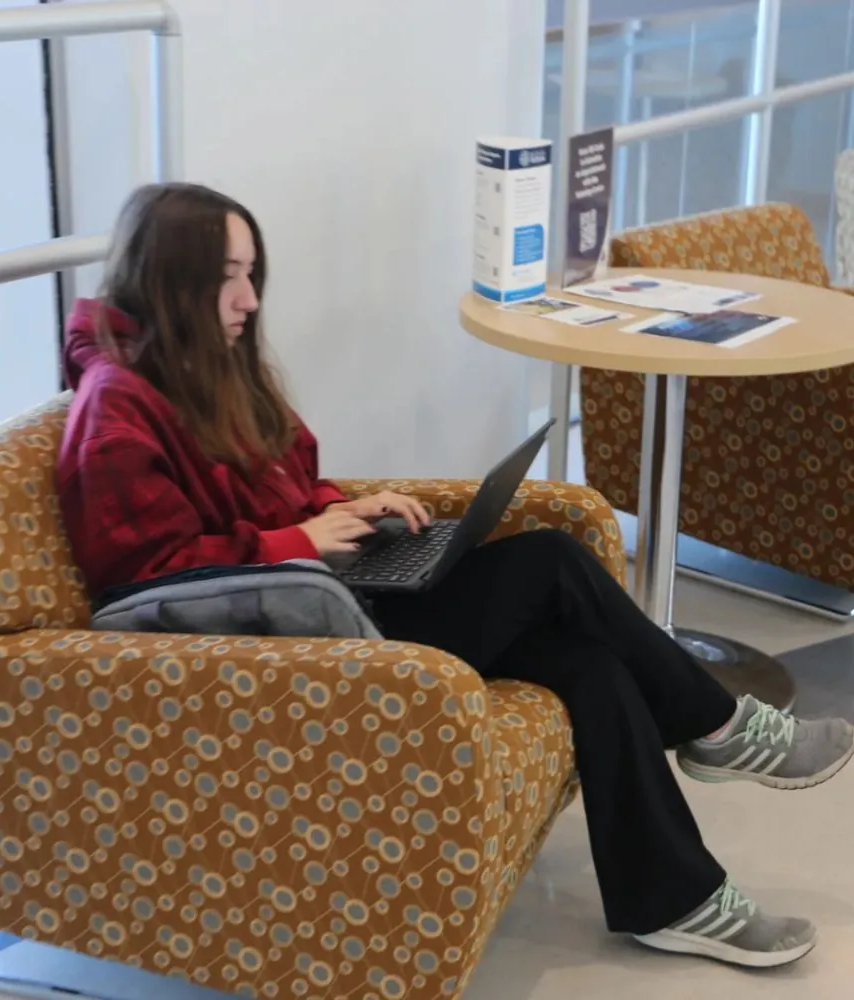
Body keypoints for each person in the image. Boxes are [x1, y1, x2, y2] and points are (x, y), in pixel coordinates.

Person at [56, 182, 854, 970]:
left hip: (332, 595)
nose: (247, 298)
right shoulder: (115, 408)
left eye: (250, 273)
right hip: (287, 646)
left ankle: (674, 901)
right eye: (226, 276)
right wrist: (292, 539)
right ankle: (721, 729)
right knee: (550, 561)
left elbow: (287, 484)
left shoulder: (209, 366)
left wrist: (349, 508)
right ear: (168, 279)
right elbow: (140, 576)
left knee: (592, 664)